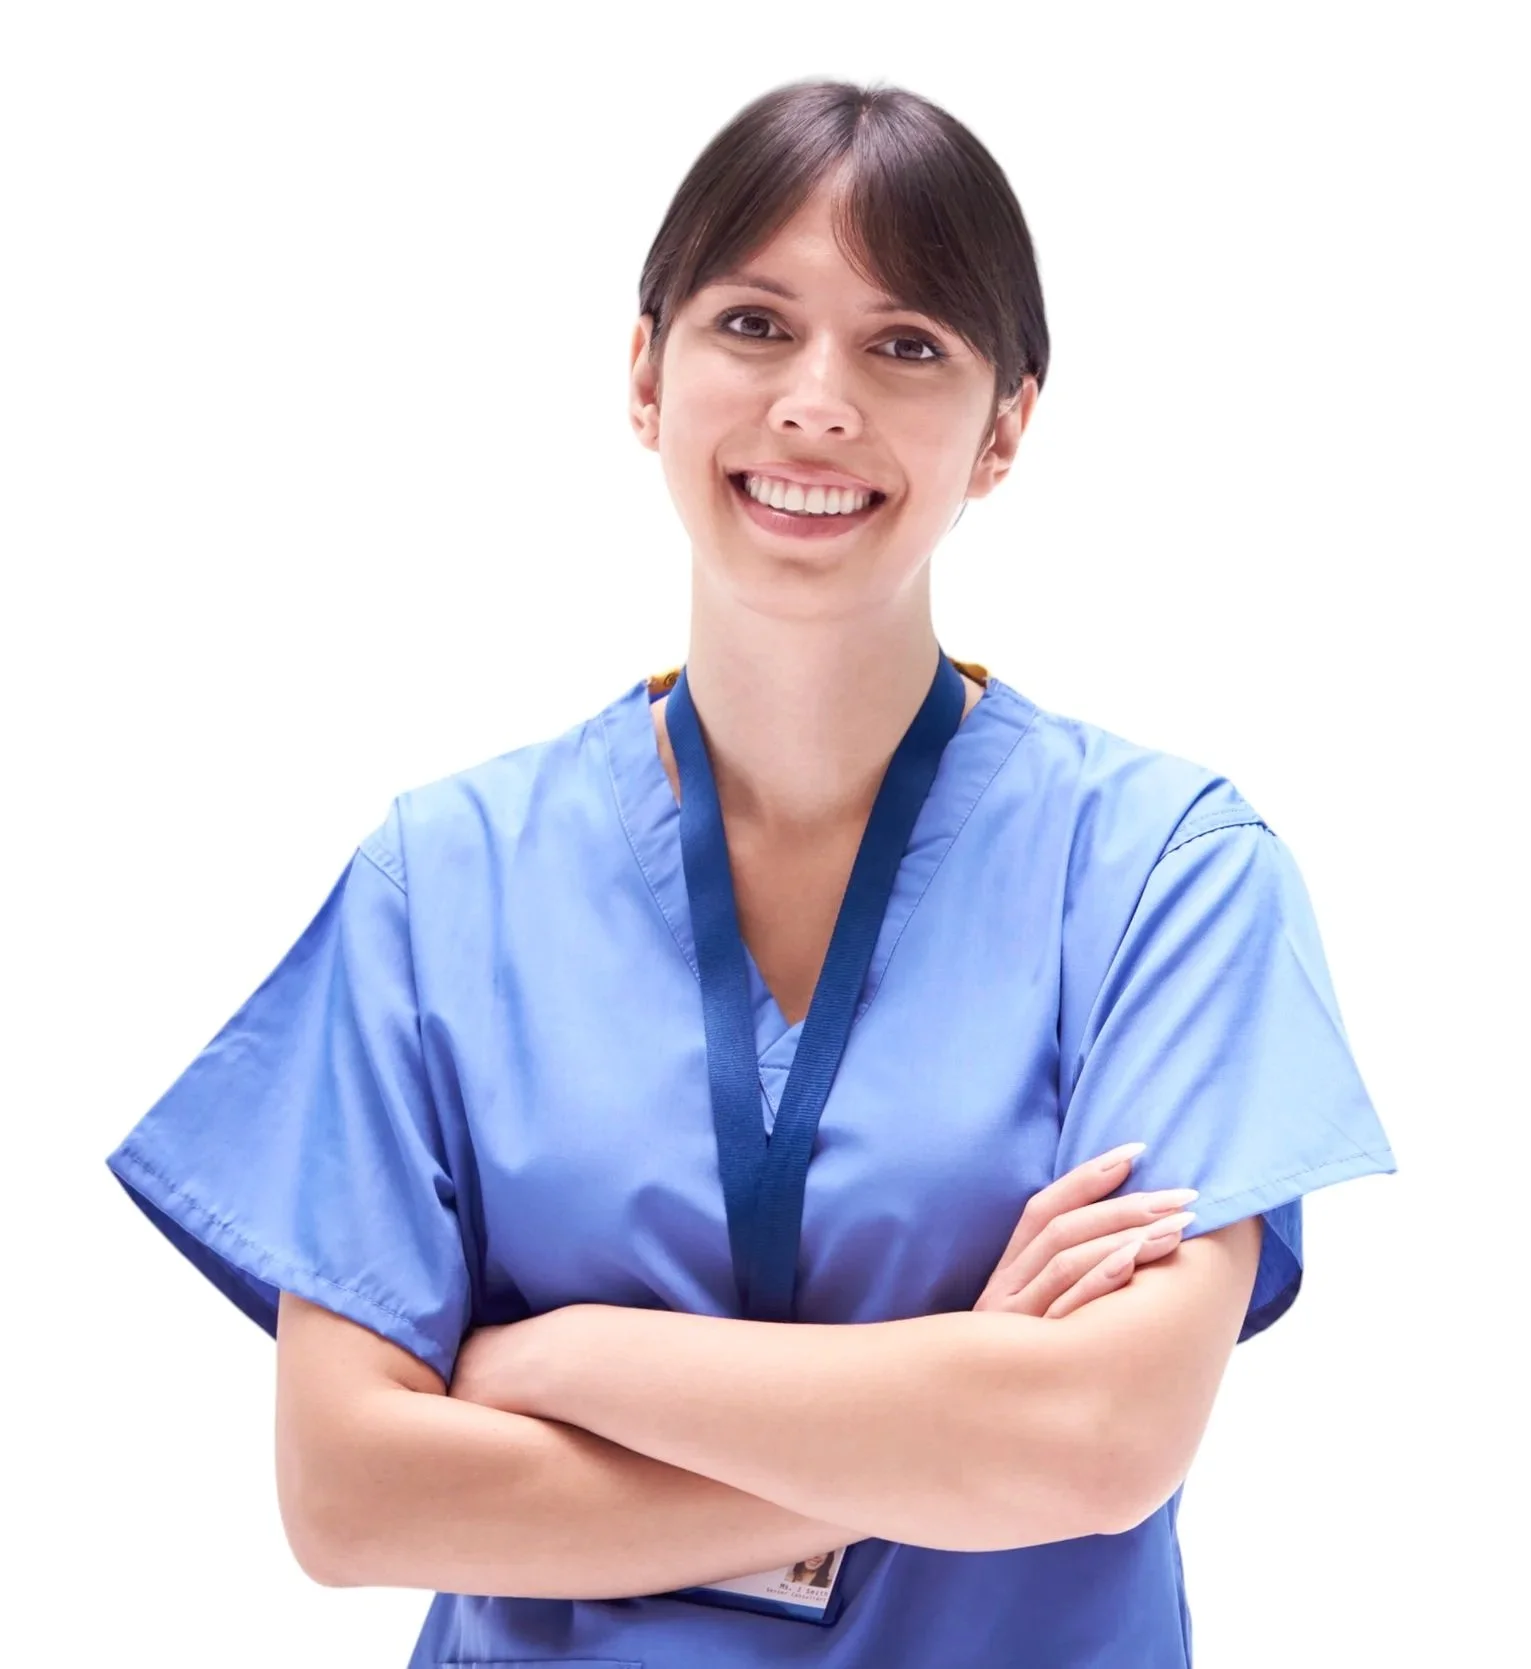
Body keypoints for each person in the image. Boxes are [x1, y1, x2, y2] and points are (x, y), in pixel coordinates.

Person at [104, 77, 1397, 1667]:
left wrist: (556, 1357)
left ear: (1005, 427)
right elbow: (353, 1499)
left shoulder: (1162, 879)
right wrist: (940, 1426)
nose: (817, 402)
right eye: (753, 325)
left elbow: (1098, 1442)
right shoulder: (443, 885)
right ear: (644, 373)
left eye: (907, 344)